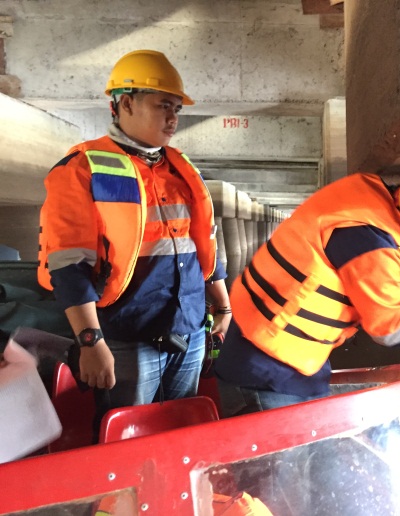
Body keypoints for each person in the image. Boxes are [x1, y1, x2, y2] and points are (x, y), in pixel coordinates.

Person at [37, 49, 231, 435]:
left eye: (177, 108)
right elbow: (68, 262)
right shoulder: (82, 168)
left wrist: (222, 306)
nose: (173, 118)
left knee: (181, 433)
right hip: (127, 338)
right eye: (163, 105)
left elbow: (201, 243)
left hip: (191, 331)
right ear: (125, 103)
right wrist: (90, 341)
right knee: (126, 439)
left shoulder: (181, 168)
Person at [214, 167, 400, 417]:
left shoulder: (364, 197)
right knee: (282, 462)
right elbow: (394, 331)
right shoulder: (370, 245)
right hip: (268, 373)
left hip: (262, 347)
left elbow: (372, 264)